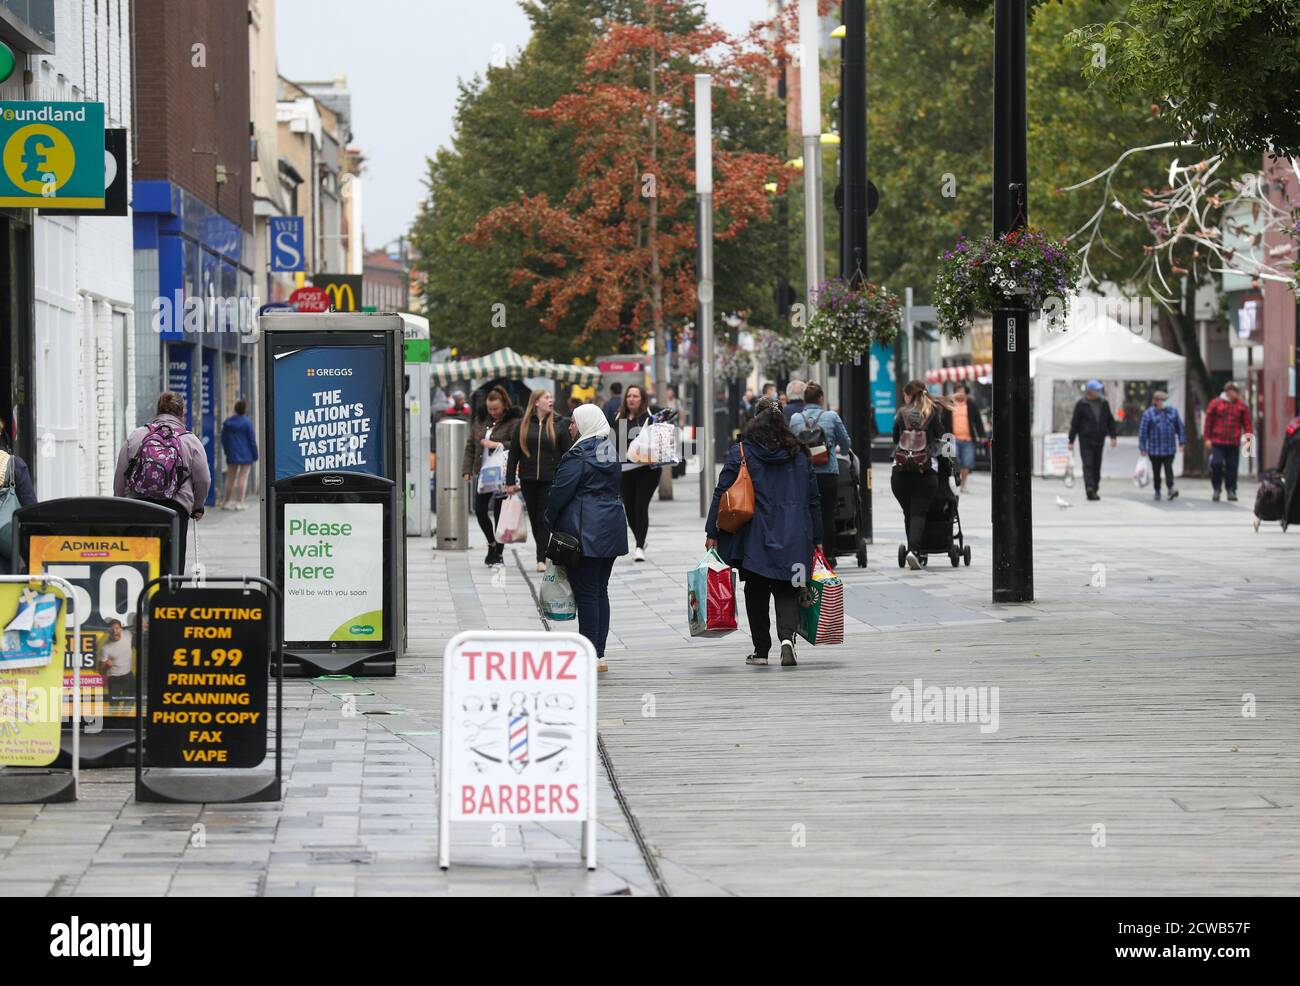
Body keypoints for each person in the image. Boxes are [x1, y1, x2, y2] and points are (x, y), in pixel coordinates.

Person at [706, 397, 822, 668]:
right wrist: (818, 538)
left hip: (755, 534)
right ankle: (787, 639)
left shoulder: (742, 452)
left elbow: (722, 492)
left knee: (756, 589)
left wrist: (712, 530)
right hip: (795, 531)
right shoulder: (801, 453)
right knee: (789, 587)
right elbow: (814, 498)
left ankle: (761, 650)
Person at [545, 405, 629, 672]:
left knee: (586, 593)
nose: (570, 427)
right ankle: (599, 654)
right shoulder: (610, 451)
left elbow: (560, 493)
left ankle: (589, 653)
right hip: (611, 528)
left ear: (584, 424)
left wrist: (549, 519)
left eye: (573, 422)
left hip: (585, 531)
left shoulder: (578, 455)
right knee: (600, 590)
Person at [114, 392, 211, 573]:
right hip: (175, 509)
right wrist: (197, 507)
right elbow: (203, 480)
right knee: (171, 561)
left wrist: (121, 503)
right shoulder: (190, 440)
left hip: (138, 506)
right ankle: (169, 595)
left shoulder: (137, 435)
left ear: (156, 410)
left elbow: (121, 473)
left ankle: (141, 593)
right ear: (183, 413)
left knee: (138, 560)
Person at [506, 388, 573, 572]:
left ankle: (541, 558)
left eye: (551, 397)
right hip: (528, 479)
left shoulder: (560, 423)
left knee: (543, 518)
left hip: (550, 478)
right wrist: (510, 481)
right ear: (536, 402)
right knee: (535, 519)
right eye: (546, 397)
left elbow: (567, 453)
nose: (550, 400)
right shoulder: (523, 425)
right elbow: (514, 454)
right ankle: (543, 552)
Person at [789, 382, 851, 568]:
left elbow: (791, 444)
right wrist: (840, 449)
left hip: (804, 475)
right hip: (828, 473)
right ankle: (829, 557)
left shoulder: (795, 419)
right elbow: (846, 442)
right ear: (821, 397)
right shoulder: (831, 416)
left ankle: (807, 555)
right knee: (827, 515)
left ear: (804, 399)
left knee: (806, 514)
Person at [891, 381, 950, 570]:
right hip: (925, 471)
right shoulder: (932, 413)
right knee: (918, 513)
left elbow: (895, 439)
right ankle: (914, 551)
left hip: (900, 472)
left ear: (909, 395)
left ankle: (912, 549)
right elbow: (942, 440)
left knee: (908, 512)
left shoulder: (901, 414)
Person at [462, 385, 522, 565]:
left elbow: (518, 444)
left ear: (504, 405)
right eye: (490, 409)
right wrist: (466, 469)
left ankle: (499, 552)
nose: (493, 412)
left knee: (499, 513)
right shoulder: (480, 420)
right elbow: (471, 445)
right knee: (479, 509)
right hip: (484, 472)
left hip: (503, 473)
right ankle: (491, 543)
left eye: (496, 409)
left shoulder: (514, 421)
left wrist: (495, 444)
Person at [615, 384, 660, 562]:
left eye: (635, 396)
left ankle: (639, 546)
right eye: (629, 396)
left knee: (641, 506)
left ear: (642, 399)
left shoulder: (649, 416)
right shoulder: (619, 418)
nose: (631, 399)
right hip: (626, 470)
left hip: (647, 470)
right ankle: (640, 539)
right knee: (629, 510)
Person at [1067, 380, 1117, 501]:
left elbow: (1110, 420)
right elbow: (1075, 423)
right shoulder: (1081, 404)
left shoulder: (1104, 403)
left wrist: (1113, 436)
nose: (1098, 391)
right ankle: (1089, 488)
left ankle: (1095, 487)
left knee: (1097, 464)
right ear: (1090, 391)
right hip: (1086, 439)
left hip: (1099, 439)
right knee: (1088, 464)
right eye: (1096, 389)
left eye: (1099, 389)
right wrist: (1071, 440)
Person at [1203, 381, 1252, 502]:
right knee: (1216, 464)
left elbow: (1247, 424)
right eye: (1234, 392)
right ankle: (1217, 488)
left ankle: (1231, 490)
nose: (1236, 395)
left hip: (1233, 441)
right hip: (1217, 441)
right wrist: (1207, 438)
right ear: (1228, 392)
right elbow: (1208, 421)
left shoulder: (1241, 406)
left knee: (1232, 467)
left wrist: (1248, 441)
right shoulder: (1216, 403)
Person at [1138, 390, 1185, 500]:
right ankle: (1157, 490)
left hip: (1169, 448)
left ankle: (1170, 488)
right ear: (1155, 401)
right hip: (1155, 449)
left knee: (1169, 469)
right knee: (1156, 471)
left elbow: (1180, 428)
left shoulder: (1173, 412)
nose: (1164, 402)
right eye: (1162, 400)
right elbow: (1143, 431)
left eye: (1165, 400)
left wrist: (1182, 442)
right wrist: (1142, 447)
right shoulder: (1148, 414)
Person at [219, 399, 258, 511]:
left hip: (232, 454)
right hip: (246, 454)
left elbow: (224, 439)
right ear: (245, 410)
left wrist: (227, 451)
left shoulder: (227, 423)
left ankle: (226, 502)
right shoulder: (247, 423)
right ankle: (240, 503)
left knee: (230, 479)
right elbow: (252, 440)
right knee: (243, 478)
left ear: (235, 409)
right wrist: (255, 455)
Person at [949, 382, 986, 492]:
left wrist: (982, 435)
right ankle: (956, 482)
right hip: (953, 438)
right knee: (955, 462)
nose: (960, 394)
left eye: (962, 392)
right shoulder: (950, 404)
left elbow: (978, 421)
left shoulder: (971, 404)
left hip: (968, 439)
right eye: (958, 392)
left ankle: (963, 485)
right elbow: (944, 420)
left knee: (967, 463)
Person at [98, 618, 134, 701]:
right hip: (114, 679)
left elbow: (140, 629)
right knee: (114, 703)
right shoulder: (105, 648)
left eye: (117, 628)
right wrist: (106, 666)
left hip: (128, 675)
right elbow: (101, 671)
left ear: (121, 629)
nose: (115, 631)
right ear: (108, 631)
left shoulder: (128, 634)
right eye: (112, 629)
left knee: (131, 701)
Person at [1277, 414, 1300, 530]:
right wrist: (1279, 468)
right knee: (1290, 491)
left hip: (1293, 465)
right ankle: (1286, 518)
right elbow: (1285, 448)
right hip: (1294, 465)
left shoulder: (1294, 425)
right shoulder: (1294, 426)